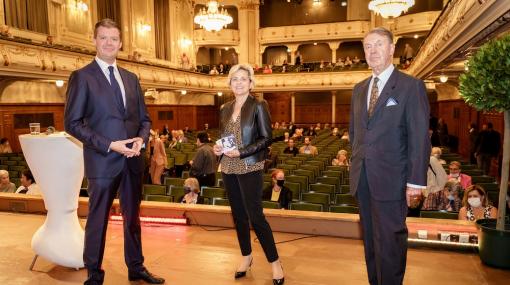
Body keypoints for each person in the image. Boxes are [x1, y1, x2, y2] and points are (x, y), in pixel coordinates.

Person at [63, 19, 164, 284]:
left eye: (114, 38)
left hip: (132, 161)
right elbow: (72, 123)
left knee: (133, 219)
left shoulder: (131, 78)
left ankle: (136, 267)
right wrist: (110, 144)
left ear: (120, 43)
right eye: (103, 37)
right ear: (94, 41)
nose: (109, 43)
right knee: (98, 221)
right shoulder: (82, 77)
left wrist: (141, 140)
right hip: (102, 160)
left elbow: (145, 119)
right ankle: (94, 275)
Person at [349, 27, 430, 285]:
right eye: (367, 46)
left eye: (378, 45)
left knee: (391, 244)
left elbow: (419, 138)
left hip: (393, 181)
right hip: (363, 178)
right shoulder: (359, 89)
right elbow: (355, 133)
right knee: (371, 242)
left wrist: (415, 183)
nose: (372, 51)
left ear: (392, 49)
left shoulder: (410, 86)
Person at [213, 63, 284, 284]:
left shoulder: (259, 105)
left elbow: (266, 138)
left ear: (251, 83)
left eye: (244, 78)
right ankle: (246, 256)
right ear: (230, 83)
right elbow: (225, 136)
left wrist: (241, 153)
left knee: (256, 216)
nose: (239, 82)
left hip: (249, 165)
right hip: (227, 166)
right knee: (238, 216)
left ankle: (275, 263)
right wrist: (218, 148)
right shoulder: (225, 108)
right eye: (235, 79)